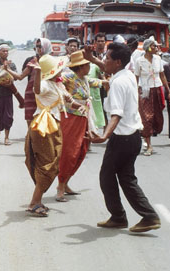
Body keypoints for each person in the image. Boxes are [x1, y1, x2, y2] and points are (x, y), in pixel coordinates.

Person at [87, 42, 161, 233]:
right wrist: (92, 59)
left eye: (107, 58)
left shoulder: (119, 82)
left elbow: (116, 114)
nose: (104, 61)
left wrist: (104, 136)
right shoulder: (125, 74)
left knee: (107, 177)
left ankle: (121, 217)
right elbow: (107, 68)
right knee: (126, 178)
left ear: (117, 62)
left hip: (122, 139)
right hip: (132, 138)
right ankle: (147, 216)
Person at [25, 54, 83, 217]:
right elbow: (36, 90)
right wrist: (36, 73)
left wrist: (81, 107)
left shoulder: (58, 85)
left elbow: (69, 100)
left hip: (54, 125)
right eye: (58, 69)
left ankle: (37, 201)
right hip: (44, 127)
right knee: (48, 164)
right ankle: (34, 203)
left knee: (53, 162)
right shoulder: (44, 84)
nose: (61, 71)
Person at [56, 51, 107, 202]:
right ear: (80, 66)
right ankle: (60, 185)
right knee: (69, 152)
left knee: (81, 151)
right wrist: (67, 96)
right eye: (87, 65)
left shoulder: (84, 78)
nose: (89, 67)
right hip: (72, 118)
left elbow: (96, 82)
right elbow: (56, 81)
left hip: (84, 117)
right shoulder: (69, 77)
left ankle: (66, 183)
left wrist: (108, 82)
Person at [134, 37, 170, 156]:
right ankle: (148, 143)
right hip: (145, 91)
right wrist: (135, 93)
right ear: (147, 48)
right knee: (146, 117)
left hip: (157, 90)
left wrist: (169, 91)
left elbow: (162, 76)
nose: (156, 48)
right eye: (154, 46)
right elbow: (136, 78)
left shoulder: (158, 59)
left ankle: (149, 135)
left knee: (157, 116)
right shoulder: (139, 61)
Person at [20, 38, 53, 128]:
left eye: (40, 46)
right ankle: (31, 140)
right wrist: (7, 70)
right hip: (31, 93)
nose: (38, 48)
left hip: (46, 94)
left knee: (45, 121)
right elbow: (20, 77)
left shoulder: (52, 61)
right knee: (30, 120)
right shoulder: (33, 60)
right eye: (37, 46)